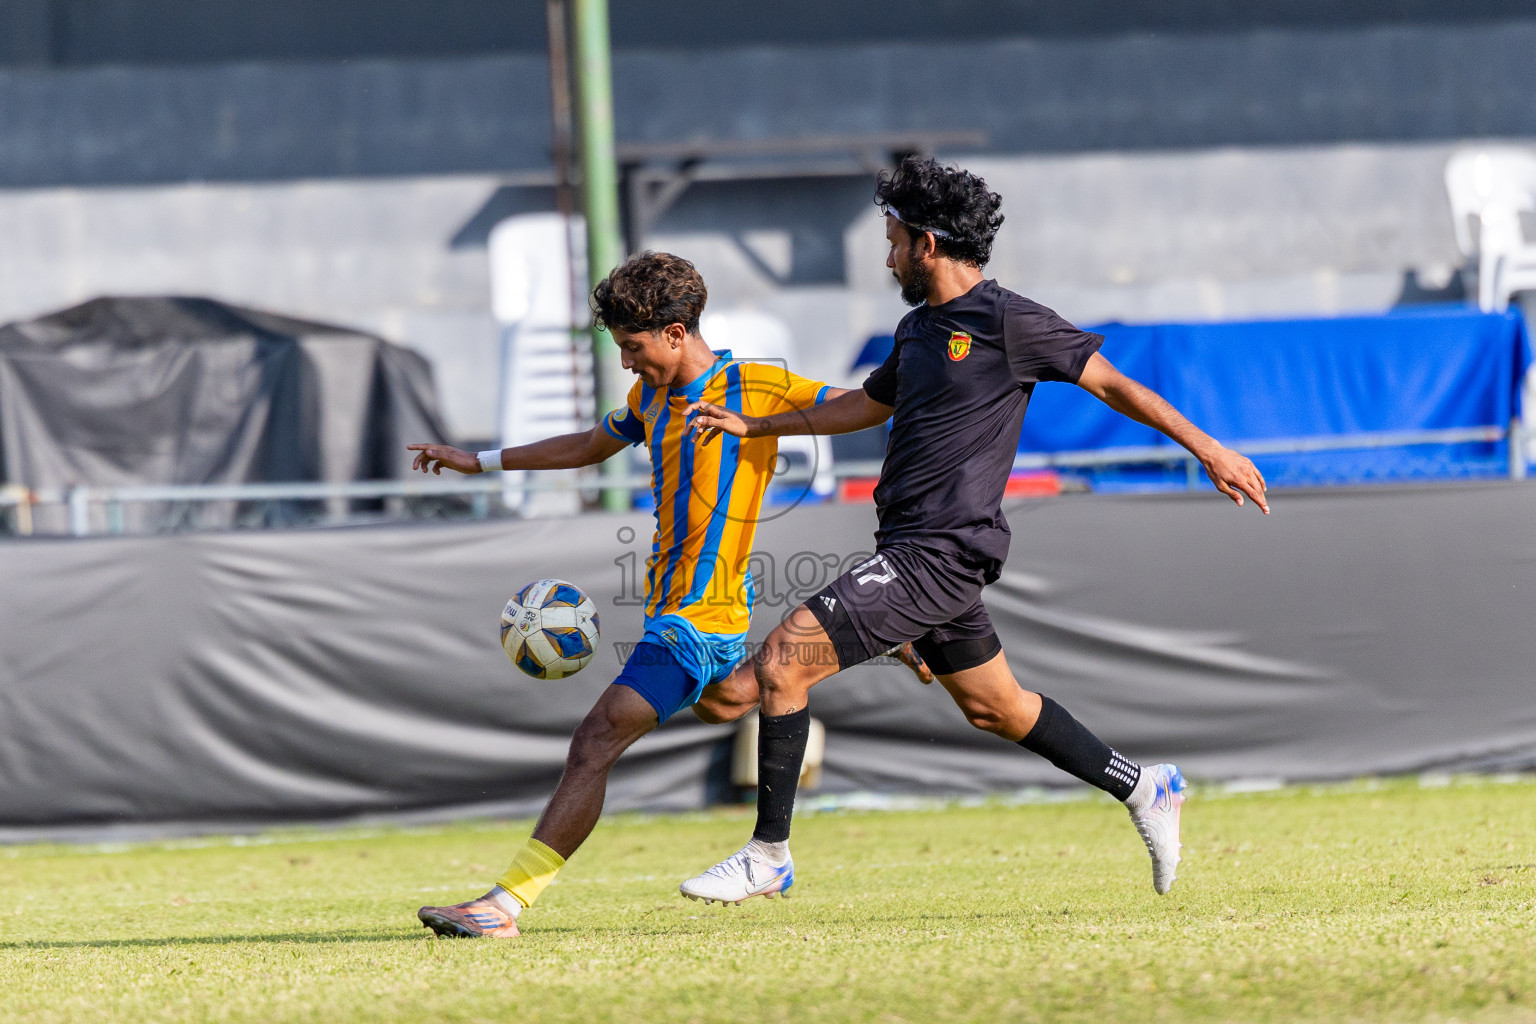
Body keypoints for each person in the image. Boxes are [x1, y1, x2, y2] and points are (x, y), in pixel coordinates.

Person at [678, 156, 1270, 906]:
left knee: (783, 665)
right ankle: (1144, 784)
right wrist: (757, 423)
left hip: (943, 552)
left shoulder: (1007, 320)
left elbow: (1116, 383)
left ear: (927, 243)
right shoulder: (917, 328)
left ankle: (769, 854)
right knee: (999, 707)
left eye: (892, 239)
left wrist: (1211, 449)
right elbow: (867, 404)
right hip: (909, 548)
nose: (886, 254)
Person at [406, 251, 843, 937]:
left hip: (694, 622)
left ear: (676, 332)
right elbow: (587, 444)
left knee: (596, 740)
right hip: (687, 611)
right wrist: (481, 460)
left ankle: (503, 906)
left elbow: (854, 405)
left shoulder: (756, 385)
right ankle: (843, 639)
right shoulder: (650, 399)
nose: (627, 364)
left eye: (634, 348)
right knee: (727, 700)